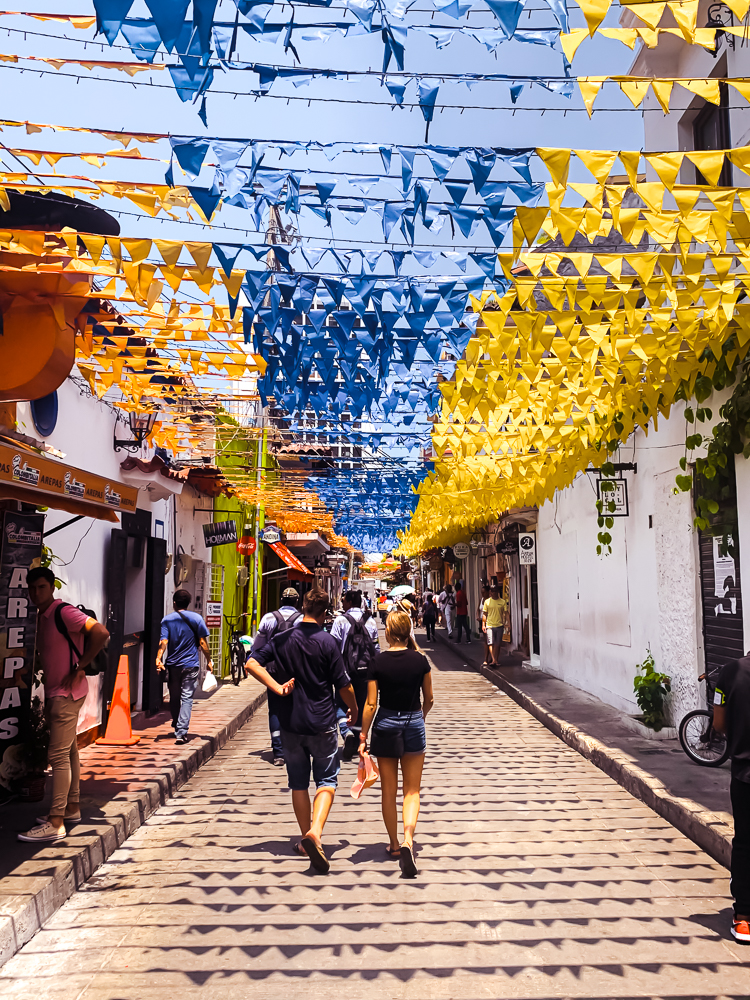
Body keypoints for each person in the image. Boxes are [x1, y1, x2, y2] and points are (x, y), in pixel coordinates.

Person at [245, 588, 357, 874]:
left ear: (303, 607)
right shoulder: (327, 642)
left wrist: (277, 687)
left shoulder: (281, 639)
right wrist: (353, 708)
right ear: (324, 613)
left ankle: (304, 836)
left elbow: (251, 663)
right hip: (321, 722)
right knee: (327, 780)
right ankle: (315, 834)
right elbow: (343, 684)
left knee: (298, 783)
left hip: (290, 723)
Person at [18, 567, 109, 843]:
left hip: (65, 695)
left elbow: (101, 632)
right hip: (62, 692)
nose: (36, 593)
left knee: (57, 757)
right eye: (32, 588)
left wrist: (80, 665)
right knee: (69, 753)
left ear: (52, 587)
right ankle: (71, 808)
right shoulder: (43, 615)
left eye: (41, 587)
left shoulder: (62, 612)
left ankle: (56, 821)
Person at [359, 610, 434, 878]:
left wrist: (363, 735)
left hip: (386, 724)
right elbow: (430, 698)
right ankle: (408, 840)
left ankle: (393, 844)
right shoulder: (421, 661)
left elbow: (370, 703)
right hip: (413, 722)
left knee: (388, 790)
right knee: (412, 790)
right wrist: (418, 717)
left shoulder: (377, 662)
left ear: (388, 633)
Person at [713, 655, 750, 943]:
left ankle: (745, 919)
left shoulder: (730, 672)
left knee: (745, 844)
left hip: (745, 776)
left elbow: (719, 723)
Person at [250, 587, 303, 766]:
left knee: (275, 709)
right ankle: (295, 748)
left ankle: (278, 752)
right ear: (297, 601)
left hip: (273, 671)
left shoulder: (268, 618)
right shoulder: (302, 619)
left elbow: (257, 646)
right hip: (296, 671)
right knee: (296, 707)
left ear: (281, 600)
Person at [156, 589, 213, 746]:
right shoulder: (197, 618)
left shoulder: (167, 620)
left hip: (173, 665)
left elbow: (164, 641)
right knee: (187, 697)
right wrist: (209, 660)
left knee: (174, 696)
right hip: (191, 665)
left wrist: (158, 657)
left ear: (174, 602)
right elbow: (202, 642)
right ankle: (181, 732)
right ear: (188, 603)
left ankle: (177, 722)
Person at [330, 590, 379, 761]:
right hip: (366, 672)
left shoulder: (340, 620)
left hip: (345, 671)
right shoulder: (371, 622)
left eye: (344, 600)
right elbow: (376, 649)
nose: (342, 603)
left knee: (340, 704)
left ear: (350, 601)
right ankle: (359, 741)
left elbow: (333, 647)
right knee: (361, 704)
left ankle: (346, 731)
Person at [482, 583, 507, 666]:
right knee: (490, 643)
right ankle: (494, 660)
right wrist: (483, 624)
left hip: (499, 625)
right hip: (489, 625)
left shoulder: (502, 602)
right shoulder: (487, 602)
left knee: (498, 644)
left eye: (495, 591)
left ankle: (495, 659)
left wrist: (509, 624)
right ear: (490, 592)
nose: (494, 593)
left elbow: (506, 613)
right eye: (492, 591)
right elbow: (485, 614)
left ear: (498, 592)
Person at [477, 584, 490, 664]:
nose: (482, 594)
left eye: (484, 592)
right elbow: (478, 609)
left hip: (489, 621)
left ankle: (490, 657)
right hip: (482, 621)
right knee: (485, 640)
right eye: (482, 592)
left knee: (489, 641)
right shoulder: (481, 599)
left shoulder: (489, 601)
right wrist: (478, 616)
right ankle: (486, 658)